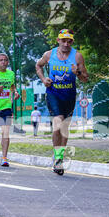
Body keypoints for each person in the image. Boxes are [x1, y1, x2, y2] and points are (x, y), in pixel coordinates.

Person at [35, 29, 89, 175]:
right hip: (53, 93)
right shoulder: (49, 54)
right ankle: (58, 160)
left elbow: (85, 78)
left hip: (69, 95)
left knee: (64, 127)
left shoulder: (77, 56)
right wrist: (43, 79)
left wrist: (77, 72)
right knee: (58, 122)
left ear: (72, 42)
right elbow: (38, 66)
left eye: (69, 41)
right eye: (63, 40)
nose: (66, 44)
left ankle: (59, 155)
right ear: (58, 40)